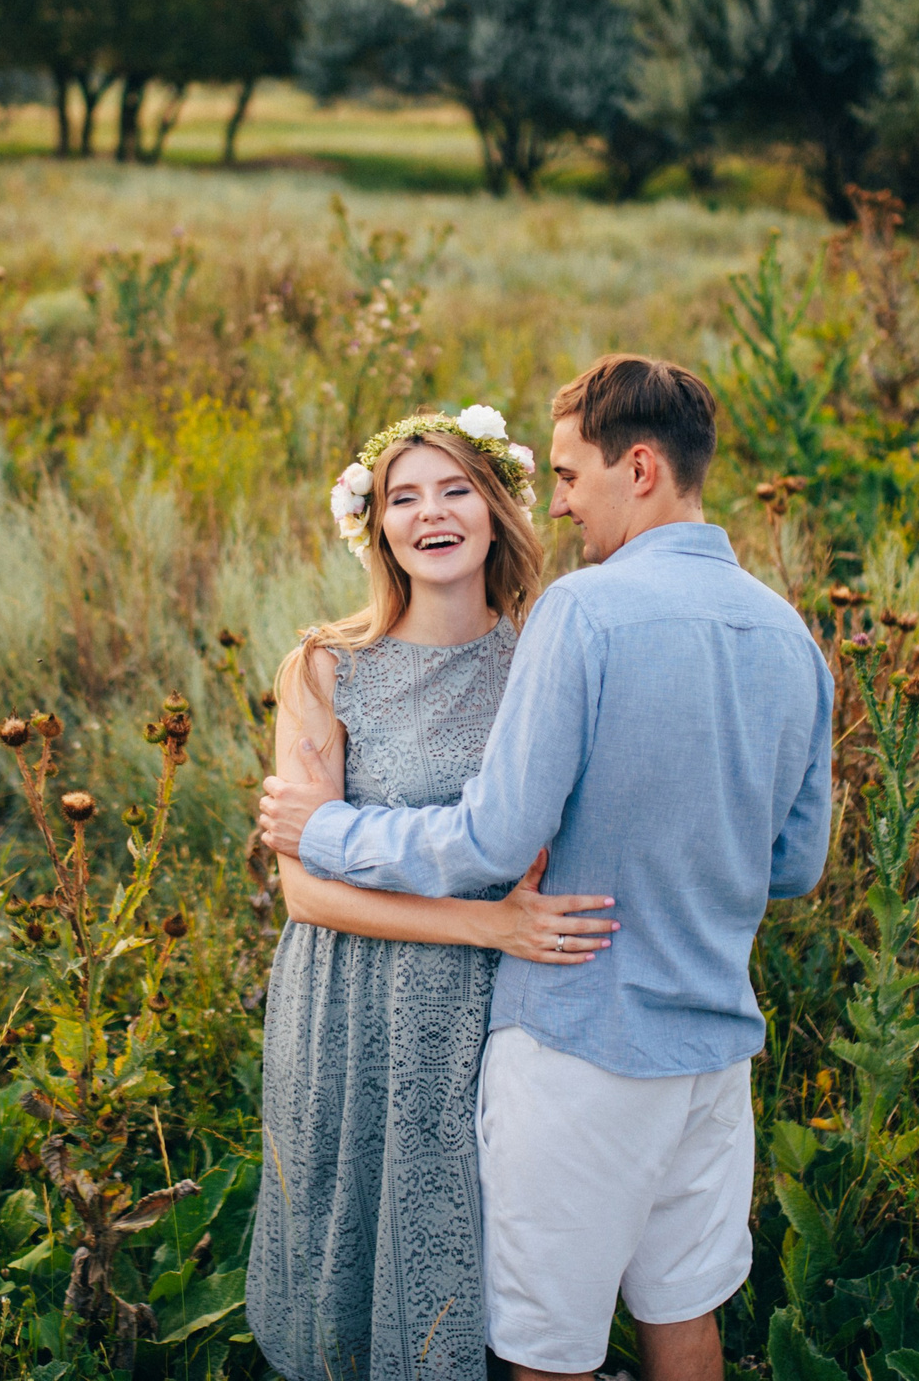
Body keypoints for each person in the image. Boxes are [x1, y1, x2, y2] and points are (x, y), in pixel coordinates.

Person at [258, 355, 835, 1381]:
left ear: (642, 467)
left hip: (581, 1040)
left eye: (569, 475)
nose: (560, 502)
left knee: (544, 1351)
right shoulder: (793, 638)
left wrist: (326, 830)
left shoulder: (581, 614)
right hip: (709, 1047)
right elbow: (794, 866)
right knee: (683, 1315)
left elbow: (489, 840)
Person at [248, 405, 623, 1381]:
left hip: (482, 1010)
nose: (431, 515)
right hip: (347, 997)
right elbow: (306, 895)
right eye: (402, 498)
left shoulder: (544, 659)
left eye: (455, 489)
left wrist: (512, 925)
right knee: (340, 1219)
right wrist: (488, 922)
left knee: (472, 1221)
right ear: (376, 526)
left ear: (496, 509)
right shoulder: (325, 668)